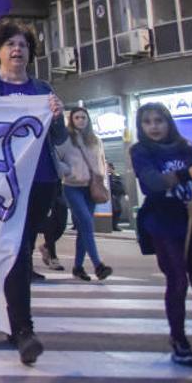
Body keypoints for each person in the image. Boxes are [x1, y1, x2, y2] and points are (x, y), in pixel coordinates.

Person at [0, 19, 66, 366]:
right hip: (0, 185)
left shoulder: (42, 89)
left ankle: (15, 322)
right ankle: (24, 330)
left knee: (18, 248)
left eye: (23, 44)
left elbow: (60, 140)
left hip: (41, 182)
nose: (17, 49)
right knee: (17, 248)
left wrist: (57, 116)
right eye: (10, 44)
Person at [130, 101, 192, 366]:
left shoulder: (187, 149)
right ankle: (179, 339)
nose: (154, 127)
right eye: (147, 122)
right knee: (178, 281)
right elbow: (153, 183)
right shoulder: (141, 151)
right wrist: (186, 174)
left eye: (159, 120)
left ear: (168, 122)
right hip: (163, 221)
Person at [55, 106, 113, 281]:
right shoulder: (66, 139)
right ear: (71, 120)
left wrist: (101, 179)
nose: (80, 120)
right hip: (72, 187)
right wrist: (67, 171)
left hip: (91, 188)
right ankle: (98, 265)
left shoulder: (95, 140)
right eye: (77, 117)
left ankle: (78, 267)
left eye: (83, 117)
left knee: (83, 229)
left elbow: (101, 161)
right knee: (87, 223)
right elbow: (56, 159)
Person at [109, 161, 127, 231]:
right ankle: (113, 225)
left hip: (117, 195)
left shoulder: (117, 175)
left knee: (118, 210)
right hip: (111, 195)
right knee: (115, 210)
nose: (109, 169)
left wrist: (125, 194)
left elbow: (121, 185)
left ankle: (114, 225)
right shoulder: (108, 176)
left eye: (110, 168)